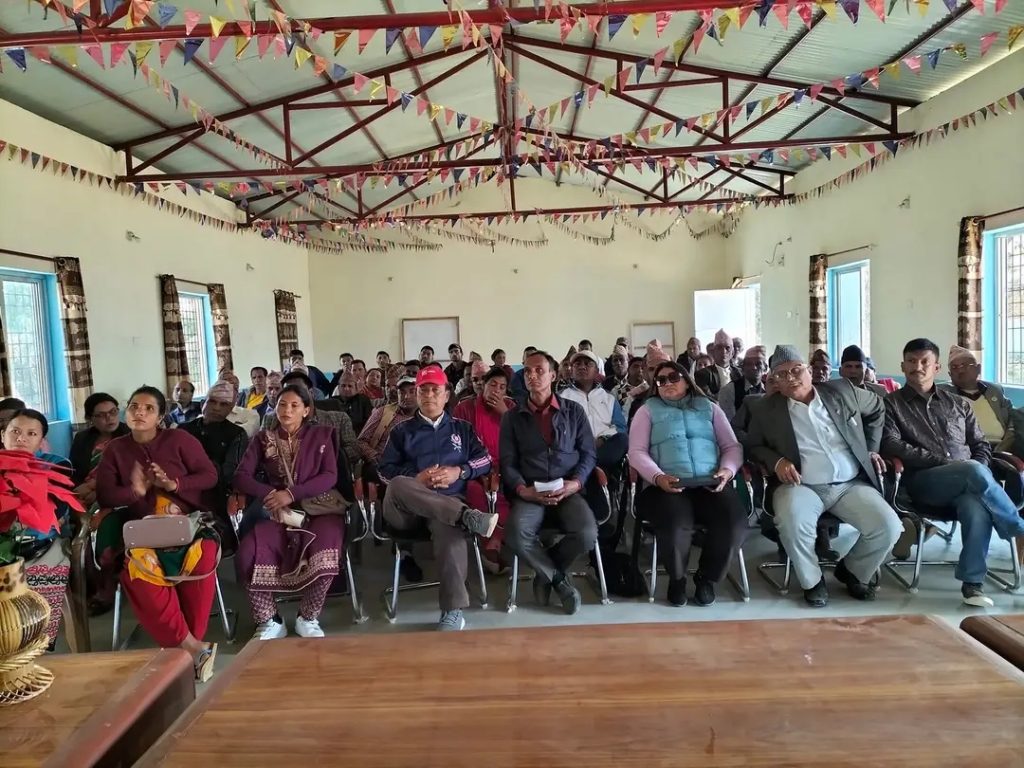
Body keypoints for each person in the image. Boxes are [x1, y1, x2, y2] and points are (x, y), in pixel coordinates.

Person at [747, 346, 902, 608]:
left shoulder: (842, 391)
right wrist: (777, 461)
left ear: (809, 371)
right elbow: (752, 445)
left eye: (796, 370)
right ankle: (812, 581)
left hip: (850, 484)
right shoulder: (765, 409)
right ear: (774, 381)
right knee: (792, 521)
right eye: (781, 374)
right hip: (800, 485)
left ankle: (853, 571)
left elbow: (878, 406)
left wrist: (871, 448)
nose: (791, 377)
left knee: (888, 526)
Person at [882, 338, 1024, 607]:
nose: (918, 367)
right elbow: (891, 444)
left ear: (936, 368)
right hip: (924, 482)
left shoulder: (957, 404)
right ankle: (1017, 528)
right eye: (911, 361)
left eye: (925, 362)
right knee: (971, 470)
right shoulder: (890, 404)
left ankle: (973, 584)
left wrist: (979, 468)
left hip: (969, 481)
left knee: (975, 506)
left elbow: (980, 444)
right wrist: (946, 463)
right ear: (902, 366)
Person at [96, 386, 219, 681]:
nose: (139, 412)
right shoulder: (115, 449)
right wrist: (134, 491)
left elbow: (210, 476)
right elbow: (105, 495)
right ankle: (193, 648)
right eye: (134, 406)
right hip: (143, 532)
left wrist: (174, 485)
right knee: (137, 569)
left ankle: (185, 648)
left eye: (148, 408)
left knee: (203, 558)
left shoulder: (179, 440)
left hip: (189, 526)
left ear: (161, 416)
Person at [379, 366, 496, 631]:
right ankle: (467, 517)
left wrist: (459, 472)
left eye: (435, 390)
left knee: (450, 532)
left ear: (446, 395)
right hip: (406, 512)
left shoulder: (462, 429)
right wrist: (416, 479)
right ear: (416, 394)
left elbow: (485, 460)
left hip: (446, 506)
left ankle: (453, 610)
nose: (429, 395)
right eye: (423, 390)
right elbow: (384, 471)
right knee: (398, 483)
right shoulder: (401, 431)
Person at [628, 362, 748, 606]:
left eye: (674, 377)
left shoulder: (710, 408)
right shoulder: (647, 410)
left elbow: (731, 446)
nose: (667, 383)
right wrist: (658, 477)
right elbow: (637, 452)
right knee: (675, 524)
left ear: (686, 379)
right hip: (665, 486)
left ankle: (706, 578)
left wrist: (727, 471)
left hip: (709, 483)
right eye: (661, 380)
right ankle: (678, 579)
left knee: (733, 522)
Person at [234, 385, 344, 640]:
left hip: (320, 506)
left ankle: (308, 617)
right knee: (248, 553)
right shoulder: (263, 439)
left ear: (306, 411)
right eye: (282, 404)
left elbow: (330, 475)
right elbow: (241, 476)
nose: (287, 410)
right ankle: (270, 619)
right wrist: (271, 494)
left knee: (327, 552)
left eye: (295, 405)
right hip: (278, 510)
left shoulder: (322, 435)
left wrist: (293, 493)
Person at [500, 350, 598, 615]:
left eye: (539, 370)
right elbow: (507, 462)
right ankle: (559, 581)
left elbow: (589, 454)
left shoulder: (573, 411)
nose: (532, 375)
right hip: (531, 491)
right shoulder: (512, 417)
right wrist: (523, 490)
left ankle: (545, 573)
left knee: (587, 533)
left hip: (567, 489)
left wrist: (576, 483)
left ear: (553, 376)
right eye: (527, 371)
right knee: (516, 534)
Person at [4, 409, 77, 647]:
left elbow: (55, 511)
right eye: (15, 431)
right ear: (3, 435)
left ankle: (33, 647)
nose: (21, 438)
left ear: (41, 441)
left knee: (33, 613)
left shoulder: (56, 465)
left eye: (31, 433)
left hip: (42, 546)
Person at [69, 393, 131, 614]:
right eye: (101, 415)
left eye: (113, 412)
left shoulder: (130, 436)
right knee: (75, 530)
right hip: (85, 496)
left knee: (100, 530)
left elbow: (128, 476)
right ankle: (82, 586)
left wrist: (96, 490)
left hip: (118, 499)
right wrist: (79, 490)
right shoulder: (82, 439)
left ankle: (105, 589)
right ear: (90, 419)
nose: (109, 418)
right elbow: (74, 471)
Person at [560, 350, 628, 541]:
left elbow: (620, 427)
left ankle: (591, 470)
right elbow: (560, 430)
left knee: (623, 440)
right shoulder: (562, 397)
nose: (582, 367)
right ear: (571, 369)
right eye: (577, 364)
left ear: (597, 370)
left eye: (587, 364)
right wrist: (584, 443)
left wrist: (603, 439)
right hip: (577, 450)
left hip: (603, 450)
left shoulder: (608, 398)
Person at [453, 365, 516, 568]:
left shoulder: (511, 407)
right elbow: (456, 443)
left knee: (510, 489)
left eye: (502, 387)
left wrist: (505, 414)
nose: (497, 390)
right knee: (475, 490)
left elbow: (522, 439)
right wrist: (478, 468)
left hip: (505, 465)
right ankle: (491, 542)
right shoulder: (464, 407)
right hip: (472, 466)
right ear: (483, 386)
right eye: (492, 385)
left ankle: (496, 540)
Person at [180, 380, 248, 546]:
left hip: (217, 495)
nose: (216, 408)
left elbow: (229, 473)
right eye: (212, 401)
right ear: (202, 403)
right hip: (181, 491)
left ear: (231, 409)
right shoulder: (183, 430)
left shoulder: (237, 434)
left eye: (223, 404)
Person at [940, 345, 1013, 451]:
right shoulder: (943, 394)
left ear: (978, 368)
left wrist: (1004, 447)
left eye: (965, 365)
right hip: (969, 451)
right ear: (950, 374)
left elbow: (1013, 418)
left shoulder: (994, 391)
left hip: (1002, 447)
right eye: (954, 368)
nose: (960, 371)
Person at [717, 347, 768, 423]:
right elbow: (730, 424)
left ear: (765, 368)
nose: (754, 367)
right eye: (749, 364)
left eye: (758, 363)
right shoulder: (729, 390)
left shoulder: (769, 389)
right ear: (743, 368)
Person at [694, 329, 738, 400]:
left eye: (727, 348)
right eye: (719, 347)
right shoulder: (703, 374)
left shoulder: (739, 373)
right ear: (713, 352)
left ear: (732, 353)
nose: (723, 351)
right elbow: (707, 398)